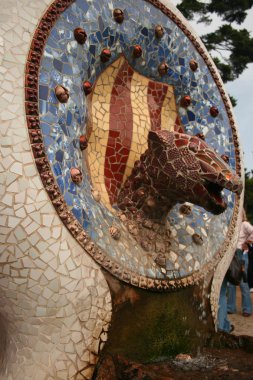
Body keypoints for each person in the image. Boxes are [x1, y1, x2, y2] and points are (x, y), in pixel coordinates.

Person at [227, 217, 253, 317]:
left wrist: (247, 243)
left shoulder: (244, 224)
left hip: (241, 255)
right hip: (231, 255)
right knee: (231, 282)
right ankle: (230, 307)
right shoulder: (231, 224)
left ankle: (247, 309)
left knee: (243, 283)